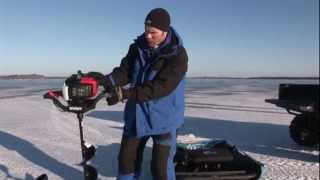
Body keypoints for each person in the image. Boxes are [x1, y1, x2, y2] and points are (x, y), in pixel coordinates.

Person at [87, 8, 188, 180]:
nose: (148, 36)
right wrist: (107, 80)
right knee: (127, 163)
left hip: (164, 118)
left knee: (160, 169)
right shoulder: (137, 47)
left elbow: (161, 87)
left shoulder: (178, 55)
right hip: (137, 116)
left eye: (153, 32)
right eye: (146, 31)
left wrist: (126, 94)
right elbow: (125, 72)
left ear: (165, 31)